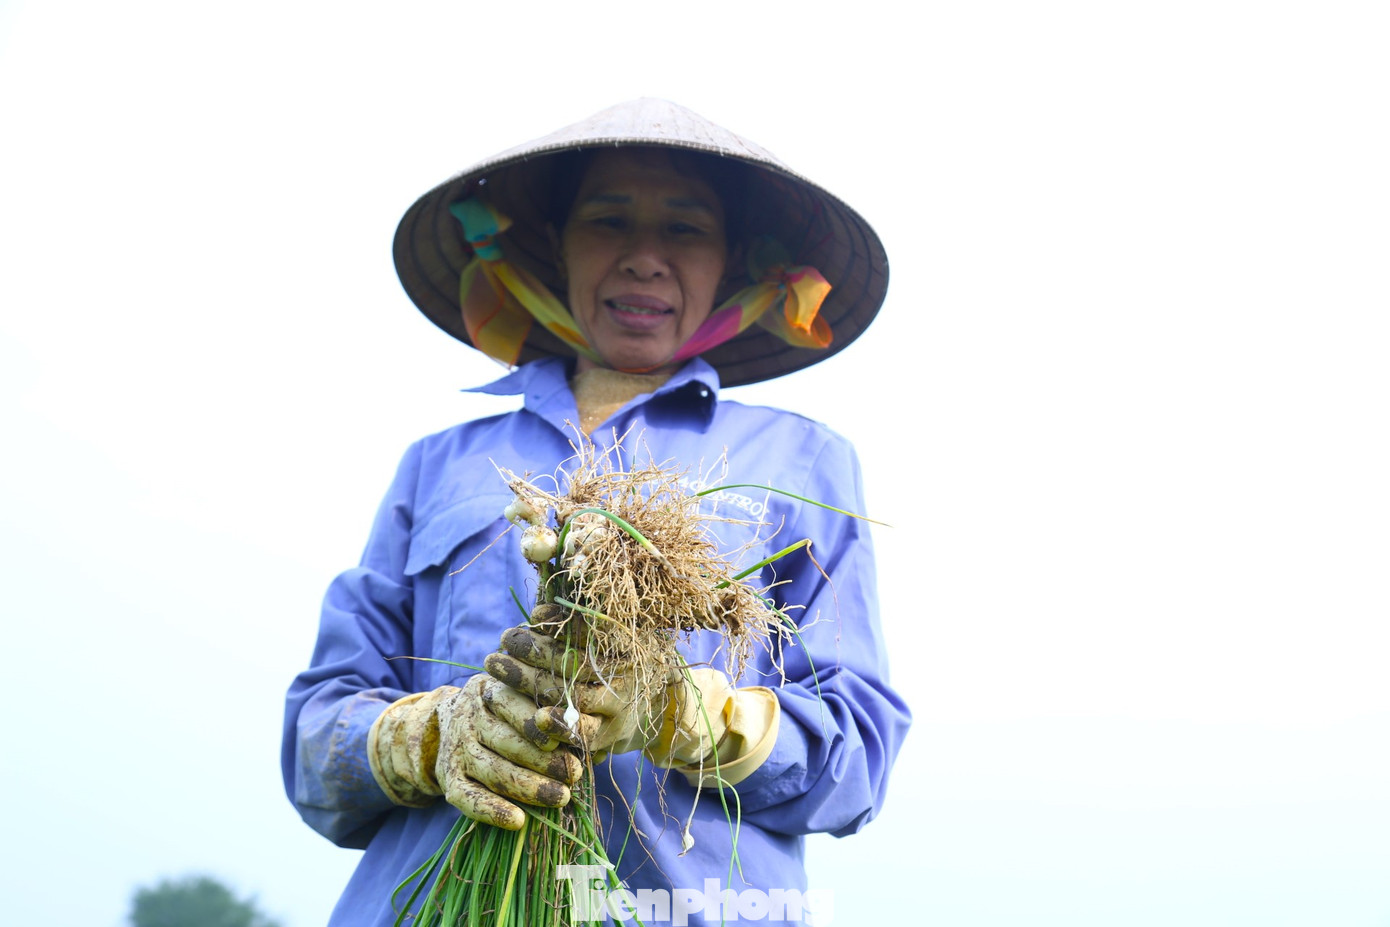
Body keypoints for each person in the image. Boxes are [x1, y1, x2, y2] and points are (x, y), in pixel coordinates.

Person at [283, 98, 911, 926]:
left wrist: (680, 714)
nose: (644, 258)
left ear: (732, 259)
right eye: (608, 220)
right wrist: (432, 736)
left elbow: (859, 759)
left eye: (684, 228)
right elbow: (312, 740)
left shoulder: (801, 462)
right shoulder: (440, 464)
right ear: (556, 245)